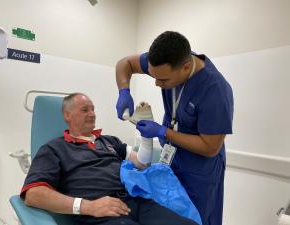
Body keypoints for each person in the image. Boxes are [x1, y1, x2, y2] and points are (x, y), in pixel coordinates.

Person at [20, 93, 198, 225]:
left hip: (136, 203)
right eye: (85, 110)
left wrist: (145, 136)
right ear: (67, 115)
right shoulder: (54, 149)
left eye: (93, 109)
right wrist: (88, 207)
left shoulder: (109, 141)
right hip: (99, 215)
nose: (92, 114)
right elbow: (33, 195)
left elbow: (142, 163)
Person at [115, 31, 234, 225]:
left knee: (196, 219)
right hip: (172, 158)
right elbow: (125, 64)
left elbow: (210, 147)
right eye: (154, 77)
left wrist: (163, 132)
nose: (156, 84)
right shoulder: (167, 60)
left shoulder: (215, 90)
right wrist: (123, 90)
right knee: (170, 215)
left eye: (163, 80)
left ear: (186, 67)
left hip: (200, 170)